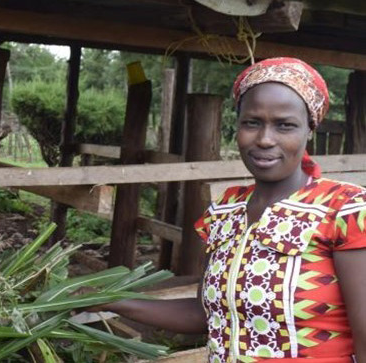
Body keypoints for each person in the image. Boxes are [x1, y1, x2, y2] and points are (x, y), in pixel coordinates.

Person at [89, 58, 366, 362]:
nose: (264, 139)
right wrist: (110, 300)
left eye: (285, 125)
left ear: (310, 129)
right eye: (252, 122)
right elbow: (204, 315)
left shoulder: (345, 210)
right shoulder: (225, 211)